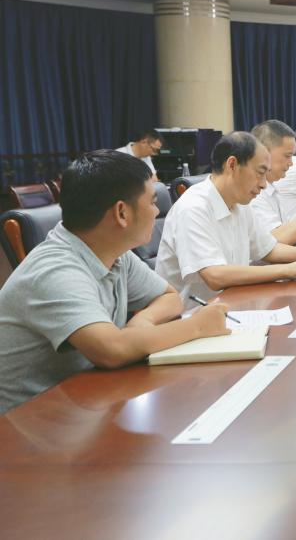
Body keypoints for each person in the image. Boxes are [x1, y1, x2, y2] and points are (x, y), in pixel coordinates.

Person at [0, 150, 229, 413]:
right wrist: (198, 326)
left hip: (83, 400)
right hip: (26, 421)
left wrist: (142, 322)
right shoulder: (55, 269)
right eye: (152, 202)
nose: (157, 211)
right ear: (122, 213)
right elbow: (111, 350)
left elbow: (169, 297)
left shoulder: (114, 252)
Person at [156, 132, 296, 302]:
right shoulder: (193, 207)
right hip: (193, 317)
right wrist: (289, 269)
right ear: (232, 165)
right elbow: (215, 275)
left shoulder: (240, 203)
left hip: (234, 305)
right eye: (260, 173)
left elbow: (269, 249)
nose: (264, 184)